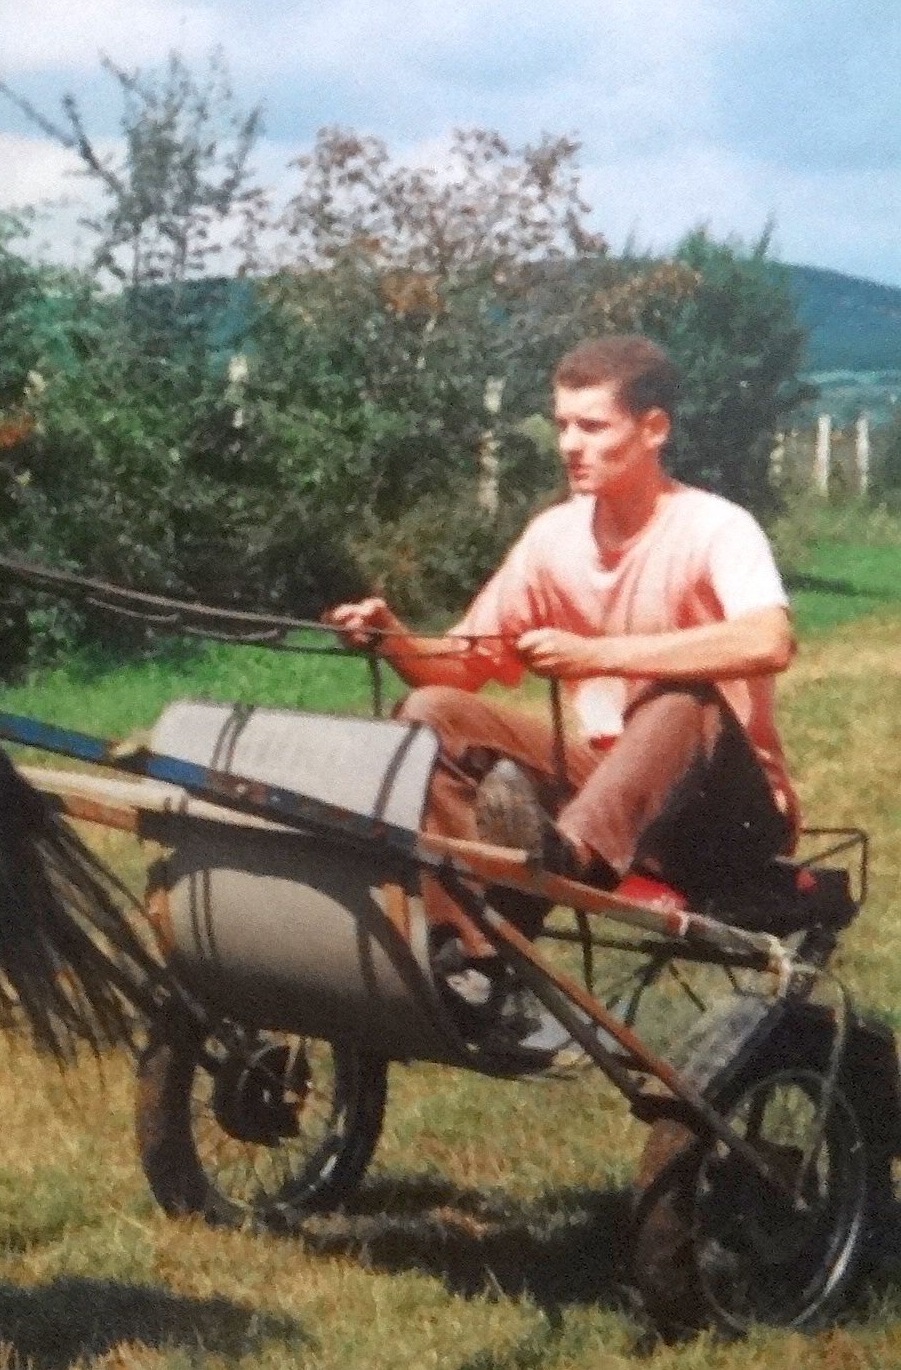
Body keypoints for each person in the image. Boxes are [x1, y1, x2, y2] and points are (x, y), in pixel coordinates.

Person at [323, 334, 796, 968]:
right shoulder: (554, 537)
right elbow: (461, 667)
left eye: (593, 426)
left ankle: (555, 866)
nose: (569, 445)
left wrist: (598, 656)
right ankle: (465, 957)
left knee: (683, 697)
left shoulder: (716, 527)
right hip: (606, 791)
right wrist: (391, 635)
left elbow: (770, 640)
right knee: (432, 709)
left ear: (653, 429)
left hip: (721, 818)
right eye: (562, 425)